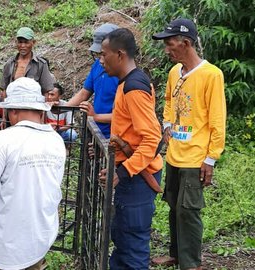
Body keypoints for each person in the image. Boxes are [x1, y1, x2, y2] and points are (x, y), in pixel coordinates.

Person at [151, 19, 226, 270]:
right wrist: (167, 125)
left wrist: (211, 158)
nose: (167, 50)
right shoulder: (175, 72)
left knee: (188, 210)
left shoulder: (211, 75)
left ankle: (192, 263)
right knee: (174, 206)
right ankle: (176, 254)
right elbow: (170, 103)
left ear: (186, 43)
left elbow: (217, 118)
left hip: (196, 157)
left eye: (170, 44)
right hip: (175, 153)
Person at [0, 77, 66, 270]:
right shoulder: (56, 140)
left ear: (13, 110)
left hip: (9, 241)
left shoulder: (5, 139)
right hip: (41, 235)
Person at [99, 28, 163, 269]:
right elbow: (129, 129)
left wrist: (123, 171)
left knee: (133, 244)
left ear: (120, 54)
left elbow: (151, 140)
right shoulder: (126, 84)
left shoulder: (134, 88)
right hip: (131, 174)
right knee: (123, 238)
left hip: (137, 178)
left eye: (104, 55)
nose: (101, 60)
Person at [66, 23, 119, 139]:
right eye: (99, 54)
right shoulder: (97, 66)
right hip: (97, 131)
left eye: (103, 54)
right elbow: (85, 92)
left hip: (115, 135)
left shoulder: (121, 75)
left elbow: (124, 116)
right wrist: (62, 109)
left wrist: (96, 116)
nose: (101, 60)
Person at [0, 27, 54, 94]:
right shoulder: (10, 63)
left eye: (26, 42)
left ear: (33, 42)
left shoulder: (41, 64)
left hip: (33, 102)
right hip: (13, 101)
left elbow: (47, 90)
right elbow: (3, 89)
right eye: (20, 42)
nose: (22, 45)